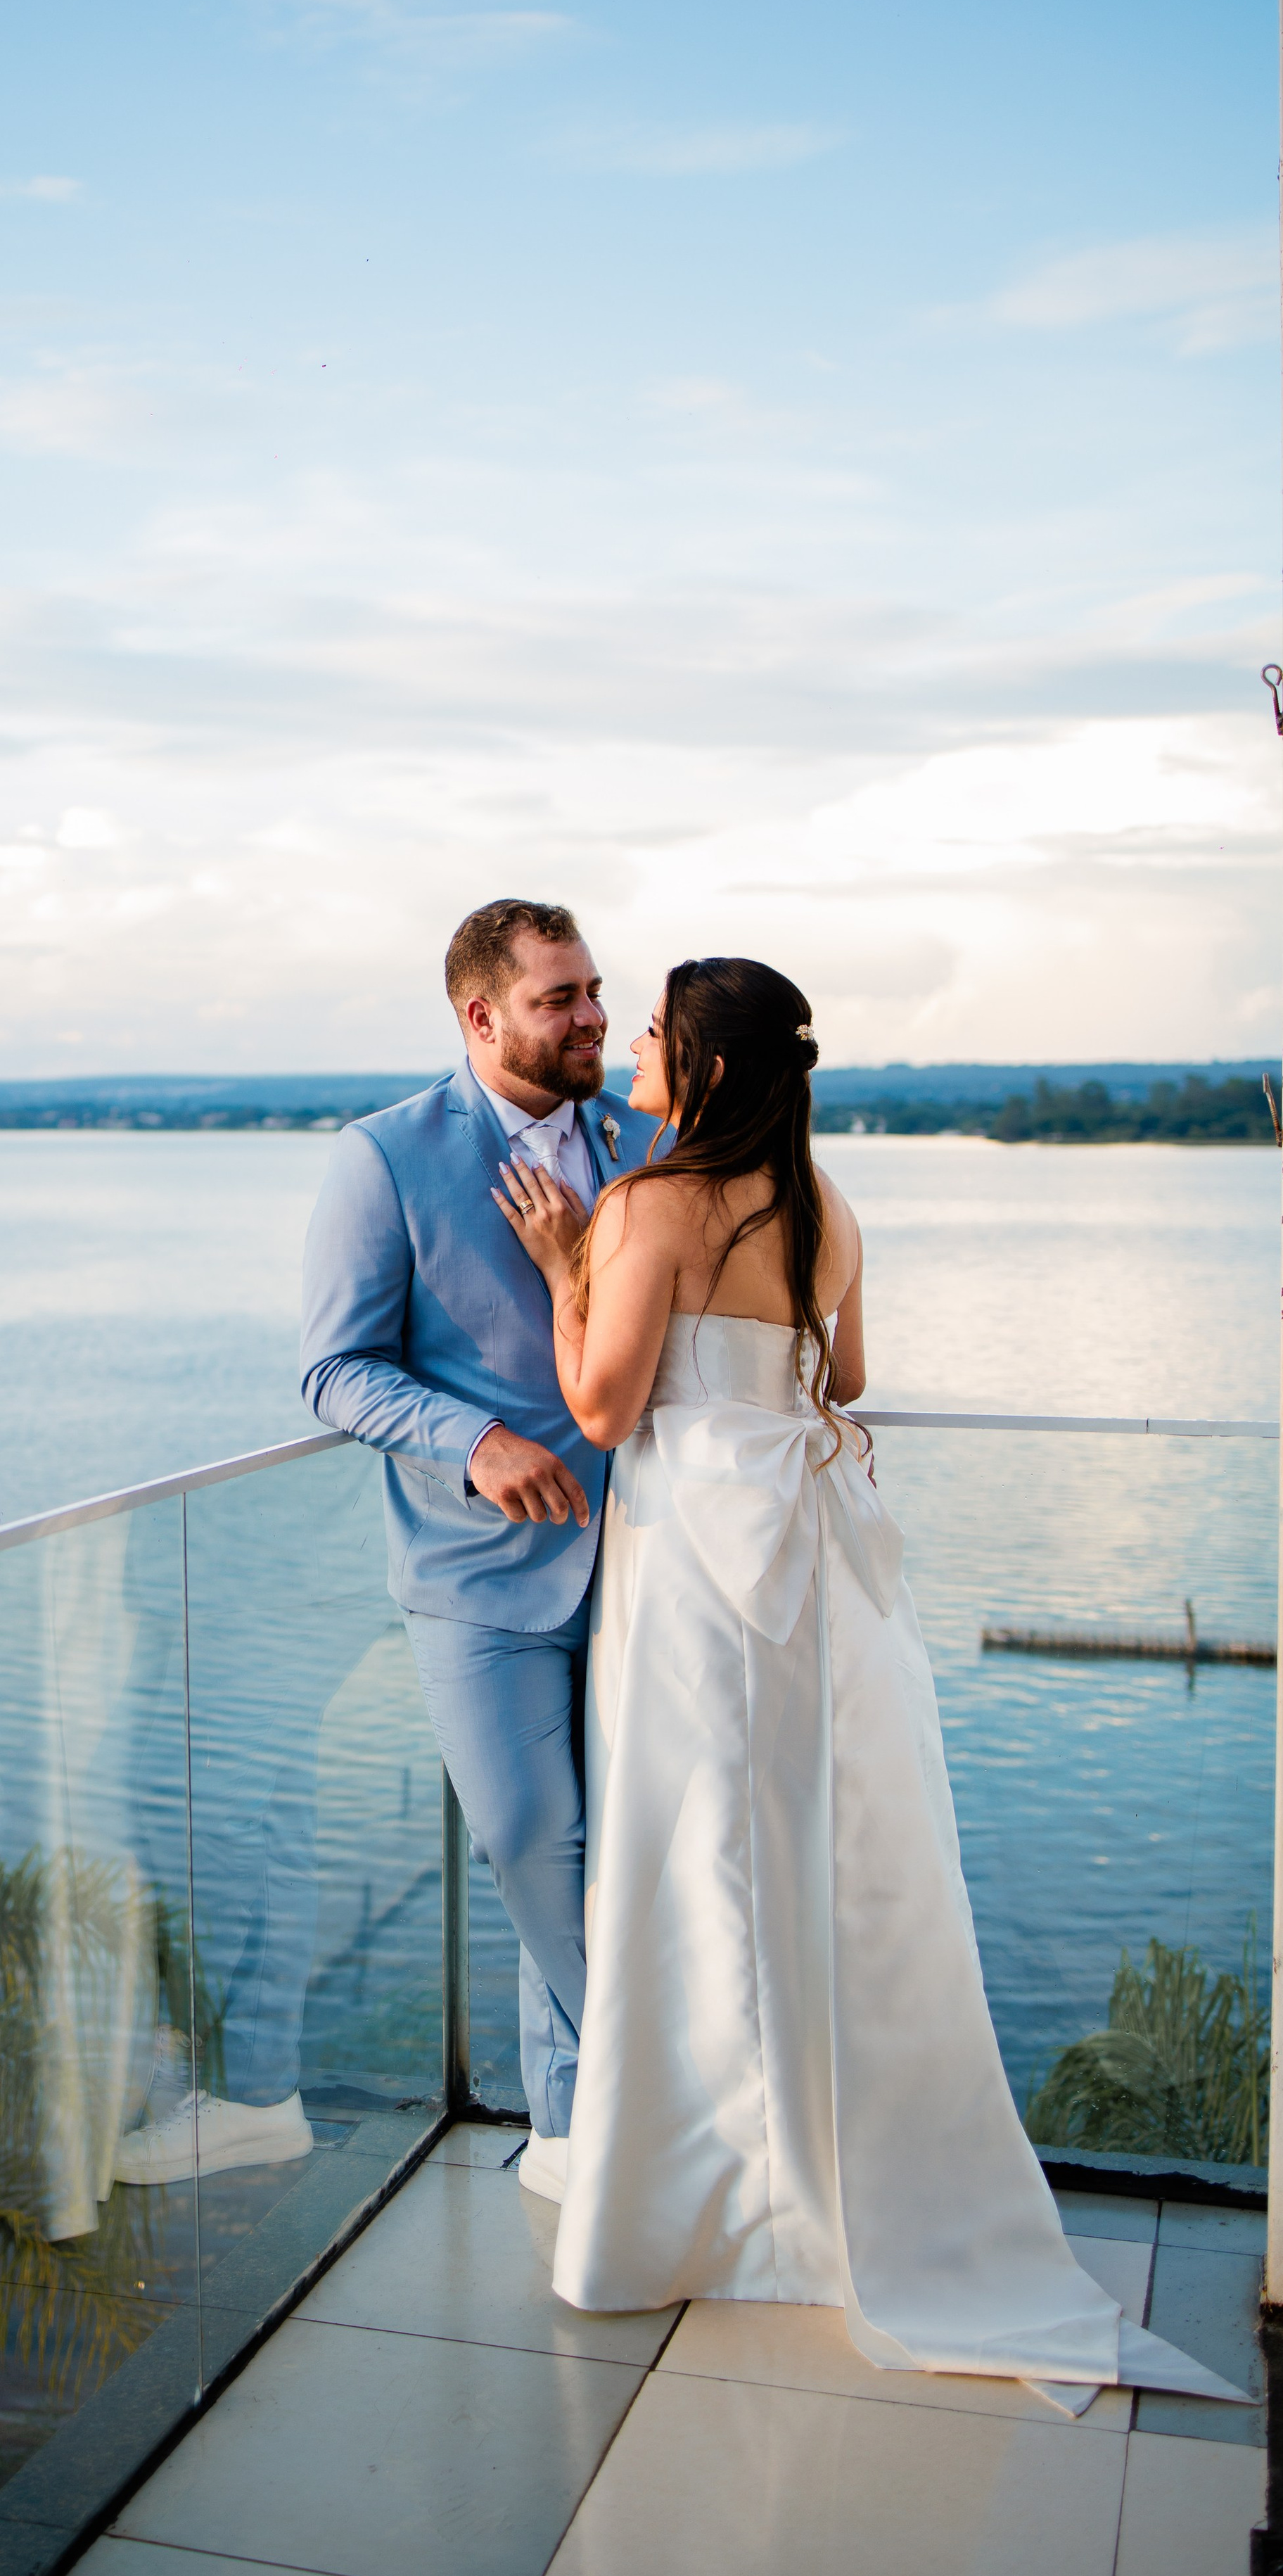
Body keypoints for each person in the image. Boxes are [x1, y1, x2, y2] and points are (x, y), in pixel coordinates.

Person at [494, 953, 1244, 2410]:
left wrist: (559, 1265)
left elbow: (600, 1406)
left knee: (692, 1855)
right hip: (809, 1552)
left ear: (699, 1066)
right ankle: (811, 2177)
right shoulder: (826, 1206)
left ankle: (711, 2190)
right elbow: (837, 1381)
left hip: (697, 1561)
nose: (632, 1043)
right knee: (810, 1850)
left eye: (651, 1027)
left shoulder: (646, 1206)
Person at [299, 900, 661, 2195]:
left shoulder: (646, 1138)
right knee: (525, 1837)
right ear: (481, 1016)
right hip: (475, 1575)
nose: (595, 1019)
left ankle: (575, 2149)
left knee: (613, 1850)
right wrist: (470, 1441)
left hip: (646, 1567)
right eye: (562, 998)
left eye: (595, 991)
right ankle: (666, 2092)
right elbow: (335, 1370)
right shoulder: (384, 1158)